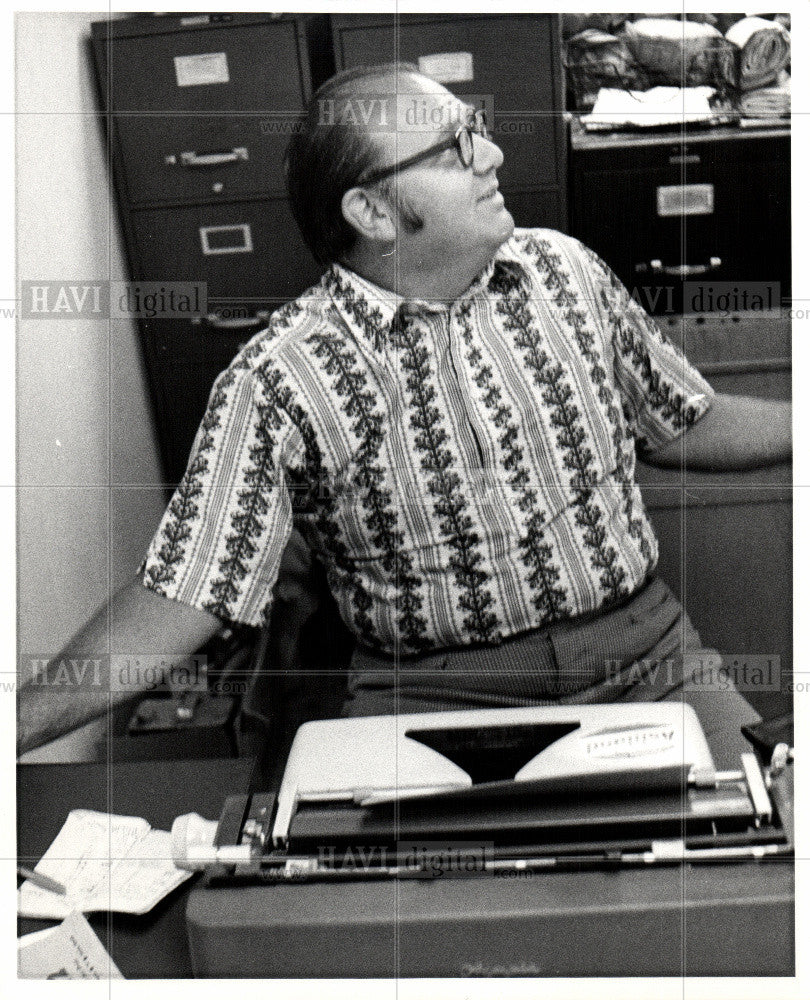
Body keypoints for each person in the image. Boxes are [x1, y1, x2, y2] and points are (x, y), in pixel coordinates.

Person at [18, 63, 790, 767]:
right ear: (373, 211)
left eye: (478, 132)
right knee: (427, 916)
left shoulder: (565, 272)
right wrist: (16, 727)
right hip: (435, 696)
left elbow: (682, 421)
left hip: (647, 662)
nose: (491, 156)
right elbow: (188, 587)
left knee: (767, 856)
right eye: (456, 148)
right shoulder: (279, 377)